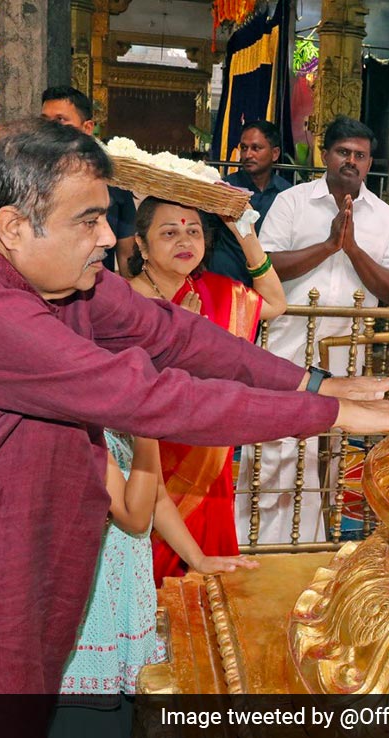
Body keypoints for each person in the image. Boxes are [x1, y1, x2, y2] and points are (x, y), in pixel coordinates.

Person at [0, 119, 389, 707]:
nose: (105, 237)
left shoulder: (59, 280)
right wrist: (327, 415)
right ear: (13, 226)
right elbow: (152, 395)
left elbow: (175, 335)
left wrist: (315, 380)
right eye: (88, 220)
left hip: (11, 547)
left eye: (106, 216)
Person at [234, 115, 389, 546]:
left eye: (360, 156)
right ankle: (250, 540)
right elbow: (265, 264)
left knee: (330, 456)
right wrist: (328, 246)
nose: (351, 161)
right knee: (274, 448)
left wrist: (352, 250)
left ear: (370, 163)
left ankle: (312, 543)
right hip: (287, 348)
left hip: (348, 354)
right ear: (325, 155)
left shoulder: (384, 217)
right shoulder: (293, 202)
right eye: (343, 152)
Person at [126, 196, 285, 582]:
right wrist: (180, 335)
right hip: (150, 459)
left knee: (207, 591)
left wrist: (245, 233)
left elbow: (275, 304)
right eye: (169, 232)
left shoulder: (216, 292)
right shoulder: (125, 301)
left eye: (193, 231)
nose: (185, 241)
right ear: (142, 245)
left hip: (209, 458)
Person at [58, 432, 254, 714]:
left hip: (129, 590)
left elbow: (158, 498)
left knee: (130, 707)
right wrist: (146, 432)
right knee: (88, 713)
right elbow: (135, 519)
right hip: (98, 596)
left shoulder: (124, 433)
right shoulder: (90, 436)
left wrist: (198, 559)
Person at [40, 85, 137, 278]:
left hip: (97, 290)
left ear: (87, 128)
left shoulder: (113, 183)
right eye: (44, 121)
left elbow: (126, 255)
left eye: (60, 120)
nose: (51, 129)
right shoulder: (28, 177)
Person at [206, 120, 292, 286]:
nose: (247, 155)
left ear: (275, 153)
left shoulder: (287, 194)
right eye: (244, 148)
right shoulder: (226, 189)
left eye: (256, 148)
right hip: (226, 278)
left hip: (268, 281)